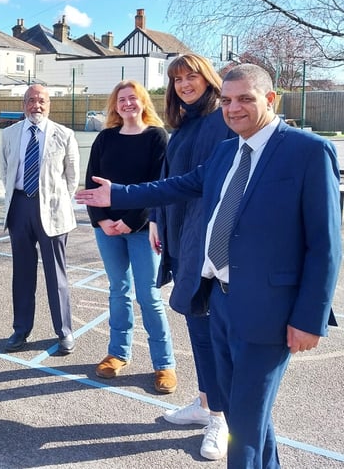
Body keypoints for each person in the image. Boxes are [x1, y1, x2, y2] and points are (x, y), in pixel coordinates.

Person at [74, 63, 341, 468]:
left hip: (268, 309)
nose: (233, 109)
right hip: (217, 299)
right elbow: (178, 185)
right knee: (240, 413)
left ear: (270, 100)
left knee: (245, 424)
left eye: (245, 99)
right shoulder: (226, 149)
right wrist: (121, 193)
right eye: (229, 100)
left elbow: (325, 245)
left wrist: (310, 317)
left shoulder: (306, 151)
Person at [155, 54, 236, 460]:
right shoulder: (183, 126)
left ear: (208, 79)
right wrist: (156, 220)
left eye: (192, 76)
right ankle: (206, 404)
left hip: (209, 246)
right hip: (182, 238)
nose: (185, 84)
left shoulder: (222, 121)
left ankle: (220, 419)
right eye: (177, 79)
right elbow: (169, 179)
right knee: (196, 328)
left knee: (211, 337)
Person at [84, 80, 177, 394]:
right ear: (115, 104)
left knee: (149, 296)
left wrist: (129, 220)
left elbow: (159, 185)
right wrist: (104, 220)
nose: (127, 104)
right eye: (121, 99)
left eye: (132, 98)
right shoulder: (106, 138)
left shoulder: (156, 137)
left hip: (141, 229)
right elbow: (91, 184)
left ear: (143, 102)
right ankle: (117, 353)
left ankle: (164, 364)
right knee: (118, 291)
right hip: (108, 230)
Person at [0, 83, 80, 354]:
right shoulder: (9, 134)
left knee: (56, 274)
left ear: (49, 104)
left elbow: (72, 178)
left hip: (52, 209)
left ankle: (64, 331)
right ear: (24, 105)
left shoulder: (64, 135)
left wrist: (55, 200)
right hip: (19, 207)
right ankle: (20, 330)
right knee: (22, 273)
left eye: (42, 100)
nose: (37, 105)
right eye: (31, 100)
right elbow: (6, 171)